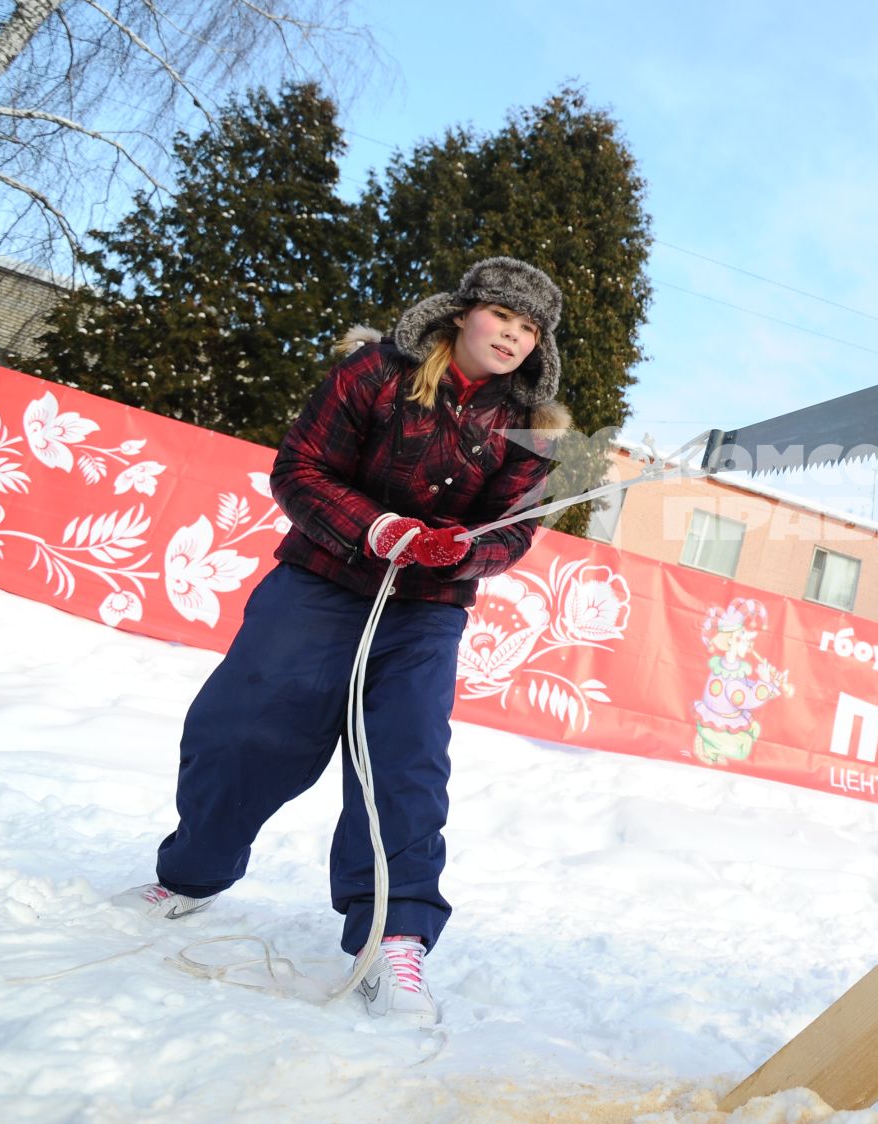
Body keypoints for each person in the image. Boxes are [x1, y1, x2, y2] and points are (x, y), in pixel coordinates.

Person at [117, 256, 567, 1025]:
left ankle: (393, 938)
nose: (513, 336)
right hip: (322, 581)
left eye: (529, 329)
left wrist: (465, 549)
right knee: (244, 727)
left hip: (423, 611)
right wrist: (379, 528)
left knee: (405, 759)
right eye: (503, 316)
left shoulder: (535, 427)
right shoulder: (375, 372)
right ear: (464, 313)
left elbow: (514, 529)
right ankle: (189, 876)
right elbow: (300, 467)